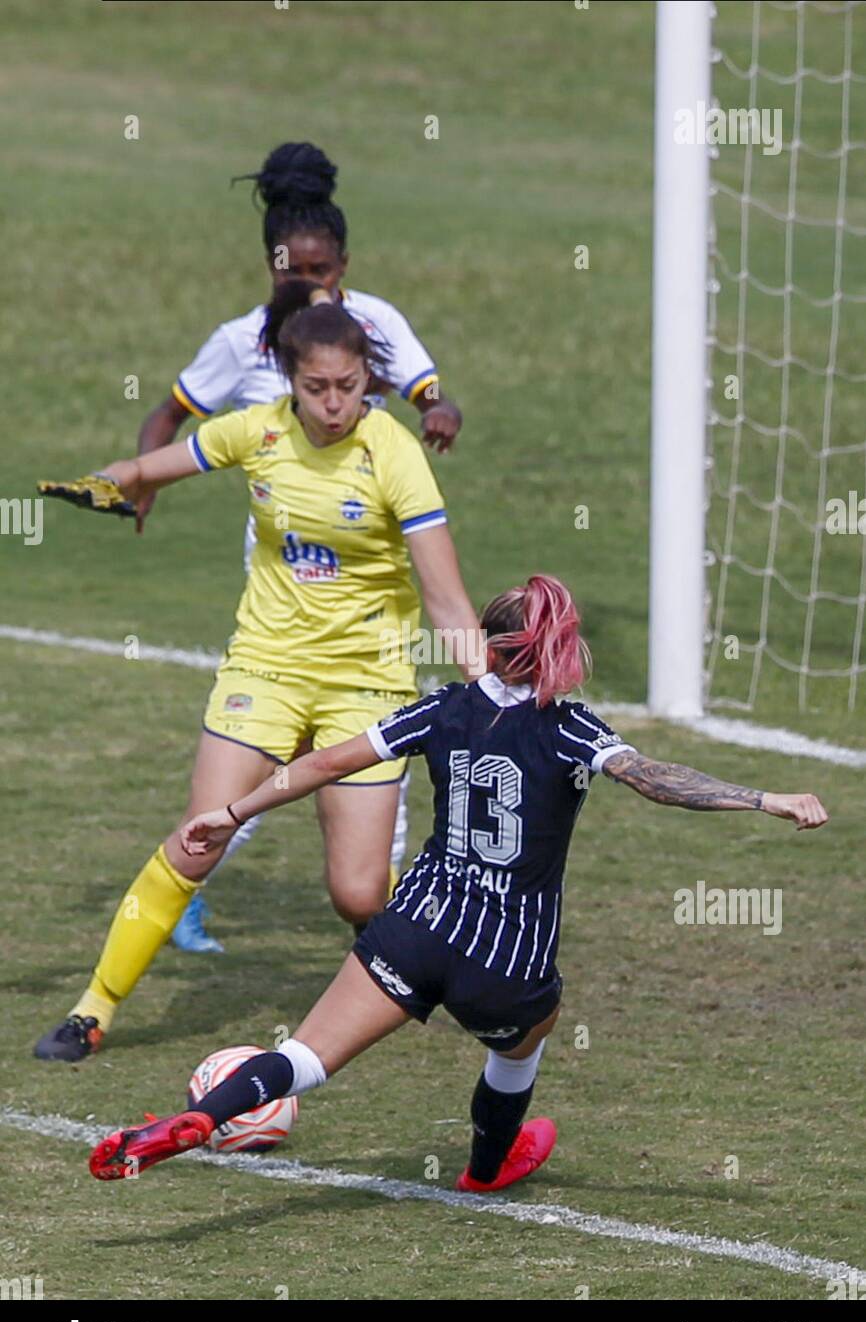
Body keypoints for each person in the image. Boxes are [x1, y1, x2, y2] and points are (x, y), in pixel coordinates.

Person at [87, 576, 828, 1192]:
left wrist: (230, 812)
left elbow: (323, 764)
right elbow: (657, 782)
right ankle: (484, 1167)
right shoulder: (572, 729)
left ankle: (200, 1119)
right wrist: (765, 799)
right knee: (526, 1039)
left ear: (491, 644)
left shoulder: (444, 707)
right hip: (504, 961)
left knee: (308, 1057)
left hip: (413, 928)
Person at [35, 294, 484, 1063]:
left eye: (350, 385)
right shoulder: (259, 429)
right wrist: (113, 479)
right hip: (265, 669)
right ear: (289, 378)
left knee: (357, 894)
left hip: (366, 685)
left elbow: (443, 596)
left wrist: (489, 687)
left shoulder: (393, 450)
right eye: (318, 388)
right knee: (198, 838)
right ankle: (94, 1009)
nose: (336, 402)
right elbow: (155, 463)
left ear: (366, 378)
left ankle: (407, 969)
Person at [140, 140, 464, 950]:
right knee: (249, 761)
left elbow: (433, 391)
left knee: (357, 808)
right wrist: (137, 478)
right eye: (293, 272)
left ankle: (390, 921)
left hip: (368, 605)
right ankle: (184, 891)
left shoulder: (375, 327)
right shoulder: (244, 338)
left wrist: (437, 413)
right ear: (269, 267)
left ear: (343, 265)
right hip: (280, 602)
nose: (307, 285)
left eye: (320, 272)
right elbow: (172, 417)